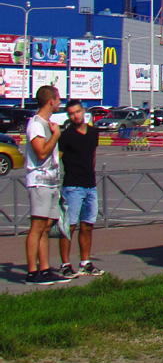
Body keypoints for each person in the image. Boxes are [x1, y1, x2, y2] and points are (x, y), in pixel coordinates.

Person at [24, 85, 70, 285]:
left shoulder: (48, 124)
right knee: (37, 225)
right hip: (39, 182)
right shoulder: (36, 124)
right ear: (50, 101)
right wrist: (56, 137)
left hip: (51, 182)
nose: (60, 103)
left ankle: (44, 269)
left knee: (47, 225)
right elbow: (41, 153)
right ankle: (32, 271)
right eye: (58, 99)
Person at [57, 99, 105, 278]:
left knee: (88, 225)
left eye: (77, 112)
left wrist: (91, 175)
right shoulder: (66, 136)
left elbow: (92, 156)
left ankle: (85, 263)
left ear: (83, 112)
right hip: (72, 186)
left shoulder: (93, 133)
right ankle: (65, 264)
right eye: (71, 113)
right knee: (68, 227)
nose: (75, 116)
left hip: (90, 186)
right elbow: (58, 159)